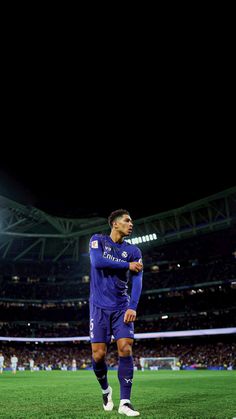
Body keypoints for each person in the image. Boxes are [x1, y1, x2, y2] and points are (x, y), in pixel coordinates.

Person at [89, 209, 143, 417]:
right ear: (115, 224)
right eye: (127, 221)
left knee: (125, 348)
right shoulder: (98, 241)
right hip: (98, 307)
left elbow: (137, 280)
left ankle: (125, 402)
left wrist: (133, 306)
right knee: (98, 355)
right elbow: (97, 262)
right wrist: (126, 265)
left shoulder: (134, 251)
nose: (131, 224)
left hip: (122, 306)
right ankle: (106, 390)